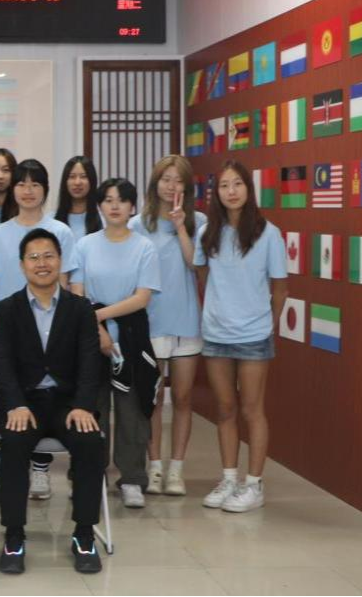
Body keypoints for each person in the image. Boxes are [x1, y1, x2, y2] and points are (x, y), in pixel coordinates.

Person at [0, 229, 105, 575]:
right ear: (22, 265)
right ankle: (14, 536)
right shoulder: (6, 310)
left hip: (69, 403)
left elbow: (90, 362)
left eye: (48, 256)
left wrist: (83, 404)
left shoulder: (80, 309)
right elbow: (2, 363)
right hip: (23, 403)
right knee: (13, 443)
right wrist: (15, 403)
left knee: (90, 442)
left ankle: (84, 534)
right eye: (34, 257)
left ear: (60, 261)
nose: (42, 263)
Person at [0, 159, 77, 499]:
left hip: (51, 331)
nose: (28, 190)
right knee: (17, 397)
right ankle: (17, 468)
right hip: (12, 331)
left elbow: (67, 282)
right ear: (13, 189)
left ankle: (41, 469)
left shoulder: (61, 232)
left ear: (45, 190)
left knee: (49, 394)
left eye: (35, 184)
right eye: (22, 183)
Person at [194, 161, 288, 513]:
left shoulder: (268, 234)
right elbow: (203, 274)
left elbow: (280, 288)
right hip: (216, 333)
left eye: (237, 184)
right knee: (225, 409)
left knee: (252, 410)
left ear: (249, 188)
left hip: (254, 336)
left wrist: (268, 325)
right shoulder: (209, 232)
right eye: (224, 185)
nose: (231, 191)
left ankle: (254, 484)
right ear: (216, 193)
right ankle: (229, 479)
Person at [71, 179, 162, 509]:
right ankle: (89, 475)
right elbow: (77, 292)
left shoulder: (144, 247)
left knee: (132, 409)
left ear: (132, 207)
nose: (114, 206)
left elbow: (142, 297)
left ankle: (133, 478)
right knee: (92, 406)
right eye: (108, 200)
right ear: (99, 206)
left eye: (121, 200)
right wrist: (96, 328)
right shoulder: (85, 245)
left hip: (131, 334)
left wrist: (99, 316)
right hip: (89, 336)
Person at [130, 155, 205, 497]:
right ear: (155, 182)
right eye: (165, 179)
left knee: (184, 398)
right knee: (154, 399)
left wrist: (180, 226)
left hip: (186, 321)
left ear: (187, 187)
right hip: (151, 323)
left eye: (178, 180)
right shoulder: (137, 224)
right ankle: (155, 467)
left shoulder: (198, 222)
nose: (171, 186)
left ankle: (176, 469)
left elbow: (195, 265)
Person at [54, 156, 104, 242]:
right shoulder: (52, 220)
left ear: (92, 181)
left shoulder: (104, 220)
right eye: (72, 176)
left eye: (83, 176)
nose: (77, 182)